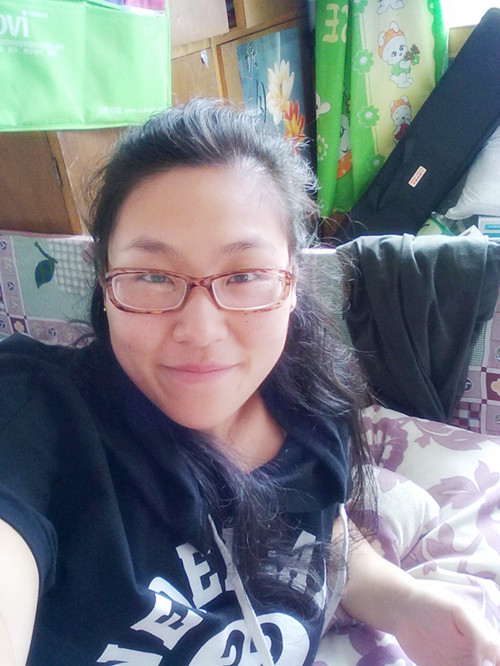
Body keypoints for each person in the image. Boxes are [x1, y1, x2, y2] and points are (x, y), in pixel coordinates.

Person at [0, 98, 498, 666]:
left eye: (243, 276)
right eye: (152, 276)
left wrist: (405, 604)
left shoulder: (312, 408)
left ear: (292, 282)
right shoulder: (38, 416)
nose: (199, 331)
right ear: (105, 281)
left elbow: (323, 535)